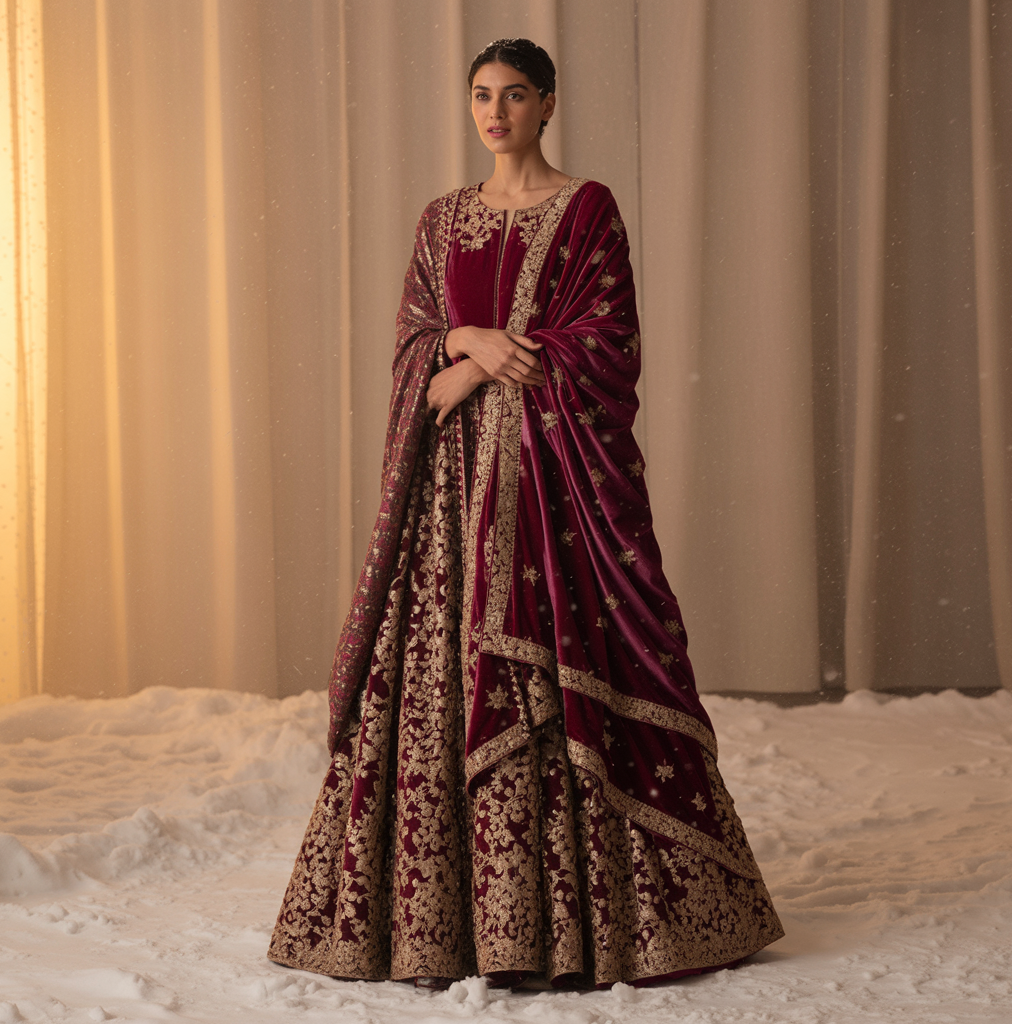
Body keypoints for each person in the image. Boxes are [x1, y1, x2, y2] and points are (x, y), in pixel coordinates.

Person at [268, 37, 783, 990]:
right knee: (436, 687)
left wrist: (509, 357)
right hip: (452, 497)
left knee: (561, 680)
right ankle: (442, 925)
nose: (494, 112)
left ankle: (576, 924)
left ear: (549, 105)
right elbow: (412, 360)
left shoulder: (587, 210)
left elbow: (609, 344)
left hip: (551, 495)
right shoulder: (439, 222)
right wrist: (462, 341)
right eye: (480, 96)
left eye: (513, 96)